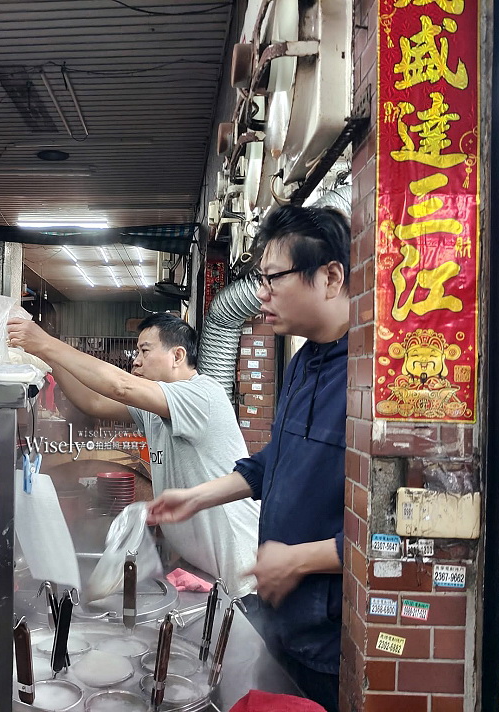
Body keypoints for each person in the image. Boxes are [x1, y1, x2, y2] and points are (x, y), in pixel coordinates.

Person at [145, 204, 350, 712]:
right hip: (279, 617)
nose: (261, 293)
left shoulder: (373, 377)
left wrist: (301, 558)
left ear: (329, 277)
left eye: (273, 277)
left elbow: (398, 536)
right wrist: (195, 497)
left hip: (331, 641)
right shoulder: (304, 364)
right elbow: (268, 465)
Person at [6, 311, 261, 596]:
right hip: (202, 571)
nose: (135, 360)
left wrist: (47, 343)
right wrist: (51, 361)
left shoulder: (202, 395)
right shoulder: (154, 407)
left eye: (144, 351)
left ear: (177, 356)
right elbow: (94, 402)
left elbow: (121, 386)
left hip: (240, 577)